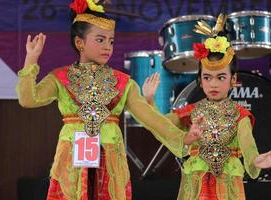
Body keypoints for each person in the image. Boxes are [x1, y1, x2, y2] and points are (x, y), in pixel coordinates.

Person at [16, 0, 189, 199]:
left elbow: (152, 120)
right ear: (79, 43)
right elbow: (28, 100)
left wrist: (183, 140)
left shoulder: (124, 83)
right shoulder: (60, 78)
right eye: (100, 40)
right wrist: (31, 60)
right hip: (72, 161)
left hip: (110, 162)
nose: (107, 46)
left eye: (111, 41)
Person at [142, 14, 271, 200]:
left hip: (227, 188)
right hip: (195, 186)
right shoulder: (190, 112)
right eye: (207, 78)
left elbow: (247, 144)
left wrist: (255, 161)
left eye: (221, 77)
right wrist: (150, 101)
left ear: (233, 80)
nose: (214, 85)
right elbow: (161, 125)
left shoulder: (240, 115)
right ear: (200, 82)